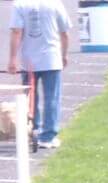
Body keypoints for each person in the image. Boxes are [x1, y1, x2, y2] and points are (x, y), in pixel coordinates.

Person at [6, 0, 71, 150]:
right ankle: (48, 136)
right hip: (51, 58)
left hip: (29, 61)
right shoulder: (55, 3)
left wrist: (13, 59)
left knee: (30, 99)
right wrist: (64, 54)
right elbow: (64, 33)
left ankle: (32, 130)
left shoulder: (20, 4)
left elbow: (17, 32)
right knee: (52, 98)